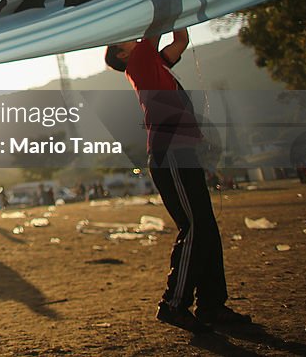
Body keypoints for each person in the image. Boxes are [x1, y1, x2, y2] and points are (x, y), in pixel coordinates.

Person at [106, 27, 252, 332]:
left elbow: (180, 41)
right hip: (170, 152)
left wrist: (180, 14)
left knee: (206, 228)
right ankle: (174, 304)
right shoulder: (139, 63)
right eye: (124, 40)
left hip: (182, 151)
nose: (131, 36)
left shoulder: (153, 63)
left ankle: (211, 305)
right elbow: (156, 27)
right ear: (123, 54)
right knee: (195, 226)